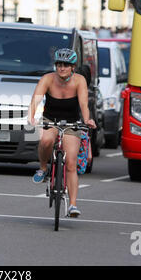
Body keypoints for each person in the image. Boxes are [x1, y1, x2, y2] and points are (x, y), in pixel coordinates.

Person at [28, 48, 96, 217]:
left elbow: (83, 105)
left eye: (66, 65)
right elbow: (35, 100)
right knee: (45, 141)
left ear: (73, 67)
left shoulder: (79, 81)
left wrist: (87, 120)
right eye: (59, 64)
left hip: (72, 122)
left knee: (71, 163)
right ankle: (43, 168)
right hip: (50, 120)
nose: (62, 68)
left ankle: (72, 205)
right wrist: (31, 117)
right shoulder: (48, 79)